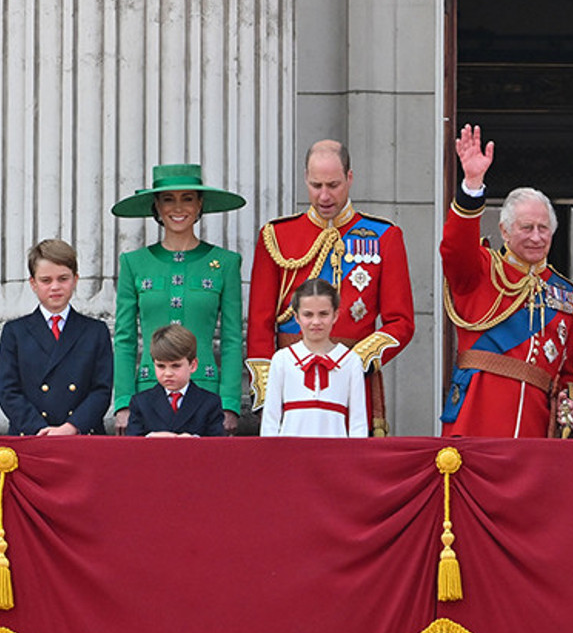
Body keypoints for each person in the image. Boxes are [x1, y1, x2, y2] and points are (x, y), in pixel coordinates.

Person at [246, 139, 415, 436]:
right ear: (305, 179)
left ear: (350, 178)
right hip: (291, 376)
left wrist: (352, 362)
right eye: (316, 185)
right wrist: (266, 383)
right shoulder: (277, 236)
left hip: (354, 376)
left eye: (334, 185)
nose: (324, 196)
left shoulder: (384, 236)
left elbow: (400, 322)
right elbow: (260, 321)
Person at [440, 124, 573, 438]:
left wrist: (569, 402)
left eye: (543, 228)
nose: (535, 236)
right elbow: (454, 246)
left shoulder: (567, 294)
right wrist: (472, 185)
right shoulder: (480, 269)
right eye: (526, 227)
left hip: (534, 423)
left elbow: (567, 372)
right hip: (477, 415)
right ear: (504, 231)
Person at [111, 164, 245, 436]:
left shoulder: (226, 263)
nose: (178, 208)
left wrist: (229, 402)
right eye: (168, 200)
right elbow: (124, 337)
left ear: (200, 205)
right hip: (148, 394)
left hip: (206, 394)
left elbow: (232, 337)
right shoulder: (133, 263)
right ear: (157, 207)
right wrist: (123, 401)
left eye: (187, 199)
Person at [0, 239, 113, 435]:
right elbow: (8, 392)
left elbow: (101, 390)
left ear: (75, 280)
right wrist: (40, 429)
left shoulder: (96, 331)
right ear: (33, 283)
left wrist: (71, 427)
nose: (55, 287)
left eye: (63, 278)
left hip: (82, 435)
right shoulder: (15, 332)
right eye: (46, 280)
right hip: (32, 435)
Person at [260, 279, 367, 437]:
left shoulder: (351, 361)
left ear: (335, 315)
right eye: (308, 315)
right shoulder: (282, 359)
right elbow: (270, 420)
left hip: (336, 456)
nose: (316, 322)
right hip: (290, 456)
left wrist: (355, 459)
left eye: (323, 314)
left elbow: (358, 423)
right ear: (296, 317)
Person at [125, 324, 225, 437]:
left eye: (176, 366)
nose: (168, 373)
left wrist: (196, 441)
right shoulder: (141, 402)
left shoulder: (210, 402)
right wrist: (149, 439)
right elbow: (132, 446)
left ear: (193, 365)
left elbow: (217, 446)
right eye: (161, 366)